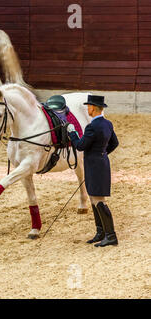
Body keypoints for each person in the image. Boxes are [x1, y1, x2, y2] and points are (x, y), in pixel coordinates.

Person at [67, 95, 119, 247]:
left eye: (88, 106)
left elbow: (80, 145)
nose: (87, 108)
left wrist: (72, 133)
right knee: (93, 198)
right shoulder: (108, 124)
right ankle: (101, 232)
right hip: (100, 163)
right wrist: (101, 153)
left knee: (99, 200)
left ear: (94, 108)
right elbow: (114, 143)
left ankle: (111, 235)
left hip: (95, 165)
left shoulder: (92, 126)